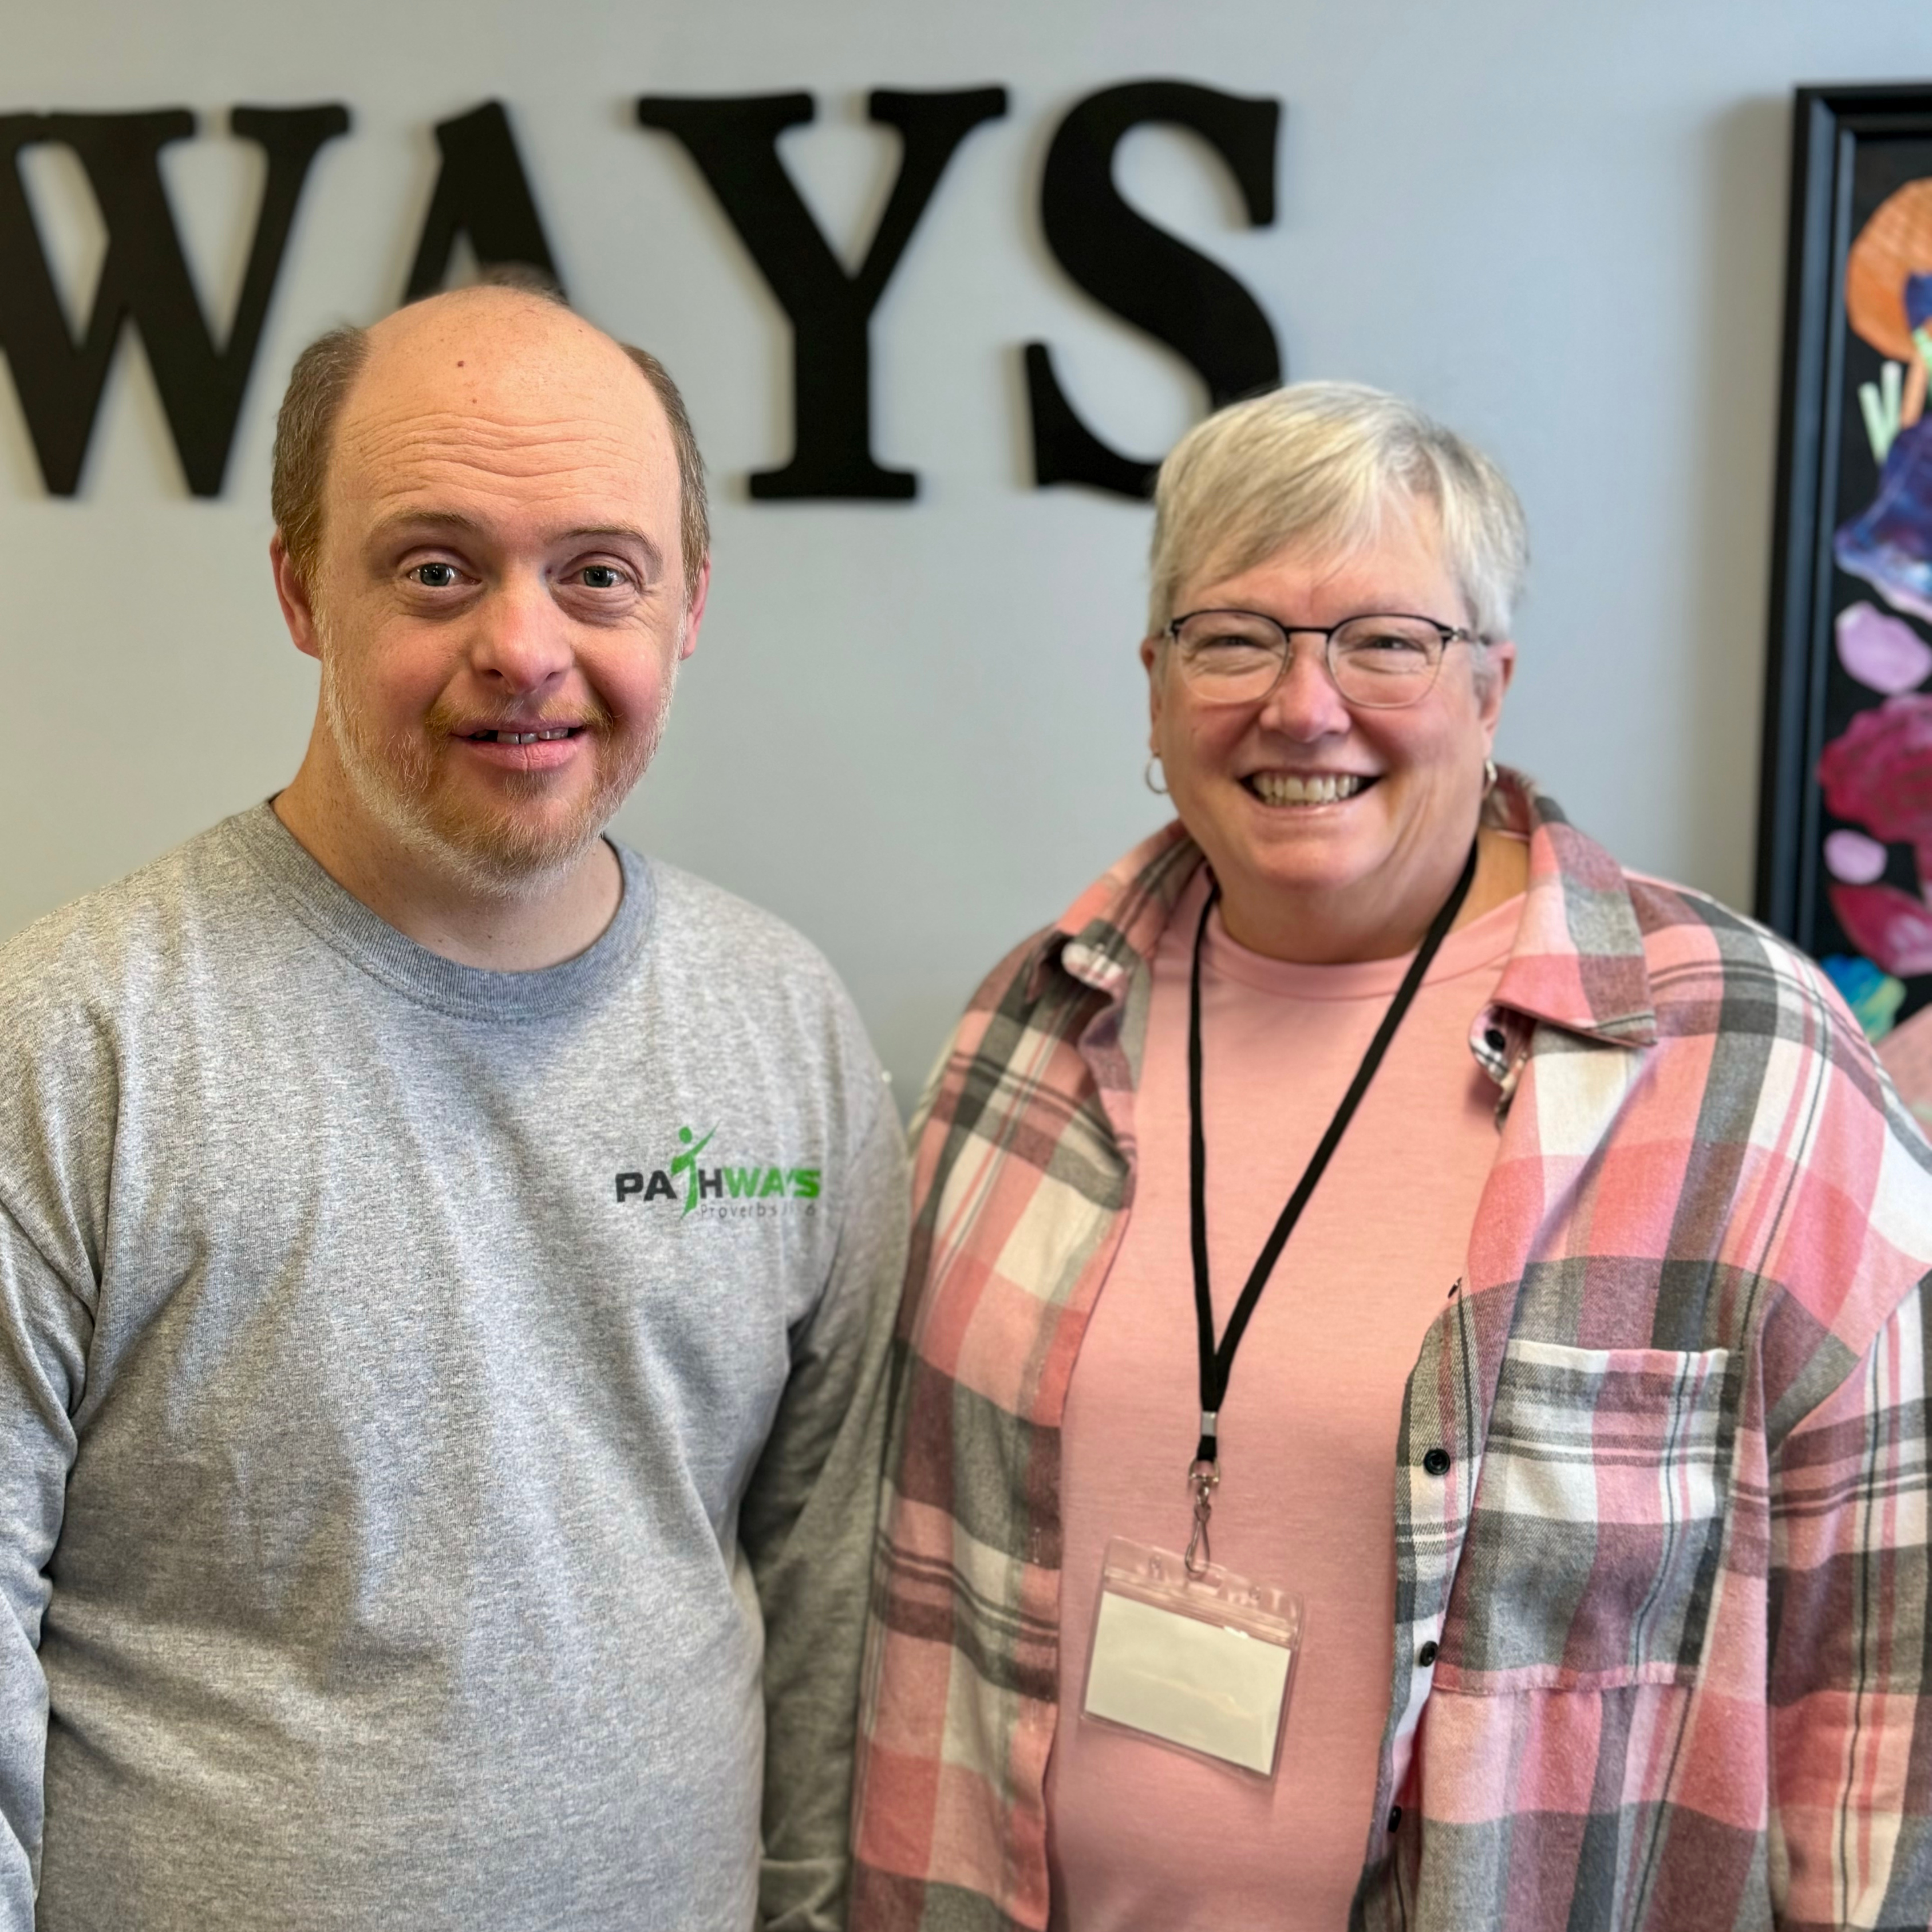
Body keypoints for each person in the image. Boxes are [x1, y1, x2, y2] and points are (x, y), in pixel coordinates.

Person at [849, 382, 1932, 1930]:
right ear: (1154, 688)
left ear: (1489, 683)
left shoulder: (1744, 1065)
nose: (1304, 706)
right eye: (1234, 638)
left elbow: (1881, 1678)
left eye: (1384, 641)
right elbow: (914, 1590)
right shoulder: (1031, 1023)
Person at [0, 283, 907, 1932]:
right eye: (436, 566)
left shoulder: (787, 1031)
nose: (525, 647)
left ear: (688, 602)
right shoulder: (71, 1041)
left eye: (598, 572)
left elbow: (825, 1592)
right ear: (298, 589)